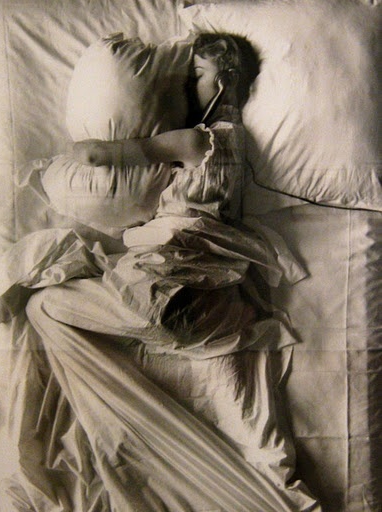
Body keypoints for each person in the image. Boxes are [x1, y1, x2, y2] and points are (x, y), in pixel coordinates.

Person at [21, 33, 320, 511]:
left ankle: (134, 420)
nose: (186, 88)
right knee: (255, 436)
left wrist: (60, 162)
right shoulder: (242, 147)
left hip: (166, 290)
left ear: (223, 81)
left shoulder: (194, 141)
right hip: (221, 306)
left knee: (43, 306)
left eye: (195, 77)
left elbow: (98, 155)